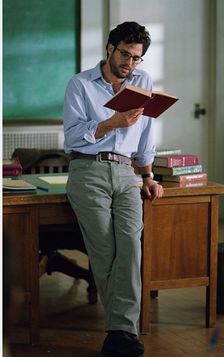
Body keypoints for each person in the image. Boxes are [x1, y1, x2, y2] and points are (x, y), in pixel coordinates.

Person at [63, 21, 164, 357]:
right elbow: (73, 137)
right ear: (110, 48)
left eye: (137, 58)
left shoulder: (142, 82)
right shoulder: (80, 84)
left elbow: (147, 134)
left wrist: (149, 176)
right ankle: (123, 333)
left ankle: (119, 332)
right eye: (125, 54)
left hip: (126, 174)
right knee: (105, 252)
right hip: (87, 170)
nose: (130, 64)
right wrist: (111, 123)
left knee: (131, 250)